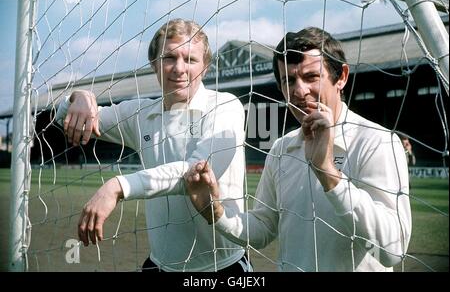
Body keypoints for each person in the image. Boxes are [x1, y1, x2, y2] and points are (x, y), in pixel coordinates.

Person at [184, 27, 412, 271]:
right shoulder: (282, 148)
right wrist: (216, 211)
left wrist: (328, 173)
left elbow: (392, 251)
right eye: (289, 80)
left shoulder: (376, 141)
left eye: (312, 77)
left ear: (342, 77)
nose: (299, 91)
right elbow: (263, 228)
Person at [56, 19, 251, 272]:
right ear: (154, 64)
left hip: (221, 267)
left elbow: (197, 174)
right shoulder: (140, 114)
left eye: (190, 60)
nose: (178, 69)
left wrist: (118, 186)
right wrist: (80, 96)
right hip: (159, 265)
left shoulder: (225, 106)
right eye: (169, 58)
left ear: (205, 67)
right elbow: (64, 117)